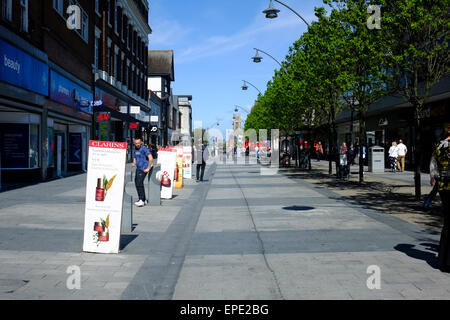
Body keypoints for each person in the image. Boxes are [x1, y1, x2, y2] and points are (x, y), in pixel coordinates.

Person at [430, 123, 450, 272]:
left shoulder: (439, 146)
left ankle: (443, 258)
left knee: (447, 222)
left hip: (443, 186)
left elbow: (433, 168)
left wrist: (437, 178)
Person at [132, 137, 153, 207]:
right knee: (136, 182)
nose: (137, 144)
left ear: (141, 142)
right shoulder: (135, 149)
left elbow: (150, 157)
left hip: (144, 168)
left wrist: (148, 168)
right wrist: (134, 163)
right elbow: (135, 157)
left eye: (138, 143)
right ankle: (142, 199)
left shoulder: (144, 148)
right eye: (136, 143)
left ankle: (142, 200)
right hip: (138, 168)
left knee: (139, 182)